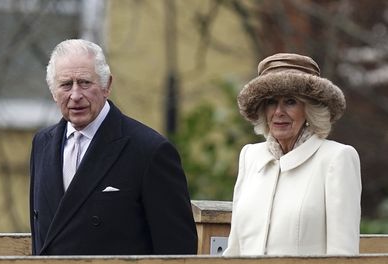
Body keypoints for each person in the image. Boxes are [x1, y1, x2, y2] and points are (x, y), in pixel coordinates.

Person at [29, 39, 198, 255]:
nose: (75, 95)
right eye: (65, 85)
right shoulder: (42, 143)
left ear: (106, 85)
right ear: (53, 92)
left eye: (84, 83)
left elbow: (178, 250)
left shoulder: (150, 150)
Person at [223, 53, 362, 256]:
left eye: (290, 102)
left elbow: (343, 255)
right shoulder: (250, 156)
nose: (278, 111)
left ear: (309, 109)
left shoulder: (337, 158)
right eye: (271, 102)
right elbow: (233, 250)